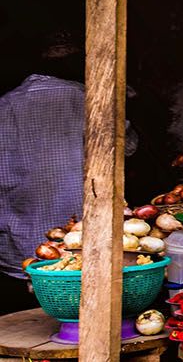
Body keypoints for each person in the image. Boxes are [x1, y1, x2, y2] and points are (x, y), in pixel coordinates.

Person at [0, 32, 138, 315]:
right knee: (85, 311)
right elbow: (129, 147)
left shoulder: (4, 105)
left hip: (18, 247)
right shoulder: (88, 99)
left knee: (31, 321)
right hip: (81, 243)